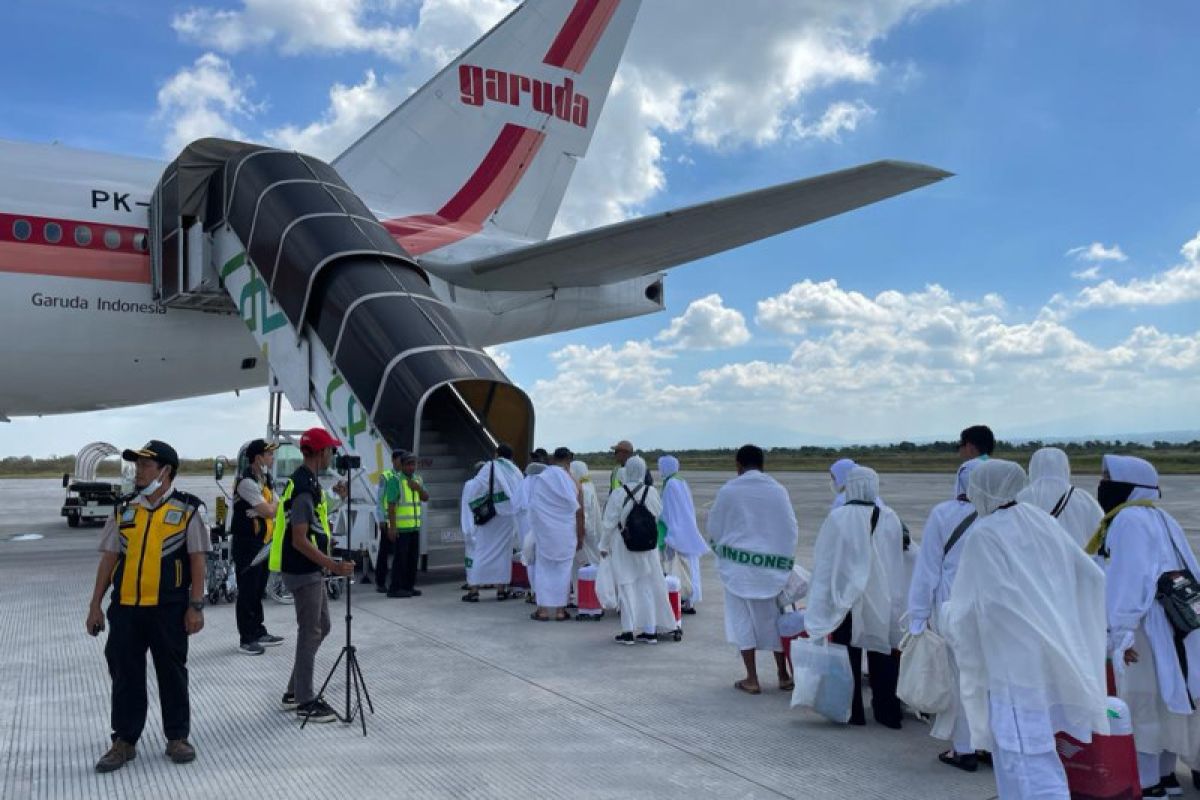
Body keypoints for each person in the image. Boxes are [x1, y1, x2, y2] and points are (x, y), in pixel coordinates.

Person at [943, 459, 1108, 800]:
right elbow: (1091, 575)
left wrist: (948, 618)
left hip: (1013, 662)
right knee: (1025, 749)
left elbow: (981, 604)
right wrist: (1060, 616)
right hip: (1048, 651)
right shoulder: (1039, 519)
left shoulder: (984, 534)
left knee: (1026, 753)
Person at [87, 440, 209, 772]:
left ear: (166, 471)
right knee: (125, 675)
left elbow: (198, 561)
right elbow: (109, 559)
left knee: (172, 673)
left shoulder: (189, 509)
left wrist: (195, 606)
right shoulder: (124, 509)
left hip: (168, 609)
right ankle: (124, 741)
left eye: (145, 465)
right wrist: (95, 605)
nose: (138, 471)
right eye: (137, 465)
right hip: (125, 608)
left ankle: (177, 737)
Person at [1089, 455, 1199, 798]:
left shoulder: (1128, 521)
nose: (1102, 484)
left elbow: (1128, 581)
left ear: (1125, 484)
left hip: (1142, 629)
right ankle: (1165, 776)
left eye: (1107, 477)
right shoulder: (1159, 516)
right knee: (1167, 701)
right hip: (1170, 626)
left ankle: (1149, 783)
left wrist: (1117, 635)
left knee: (1141, 703)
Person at [805, 466, 906, 728]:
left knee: (846, 652)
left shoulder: (839, 517)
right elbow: (895, 561)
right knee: (881, 652)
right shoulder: (890, 516)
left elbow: (826, 561)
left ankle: (851, 710)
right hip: (880, 597)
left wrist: (822, 596)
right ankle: (888, 711)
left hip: (846, 597)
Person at [269, 427, 354, 723]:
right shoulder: (304, 487)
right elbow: (300, 539)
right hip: (304, 569)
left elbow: (314, 520)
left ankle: (295, 690)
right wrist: (332, 565)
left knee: (322, 626)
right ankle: (304, 700)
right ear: (320, 453)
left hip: (308, 568)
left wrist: (336, 497)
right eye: (330, 449)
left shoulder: (307, 483)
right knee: (311, 631)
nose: (332, 454)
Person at [906, 457, 983, 768]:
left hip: (953, 604)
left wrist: (917, 615)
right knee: (988, 678)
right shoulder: (1003, 518)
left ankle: (963, 748)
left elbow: (927, 569)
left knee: (960, 677)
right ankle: (989, 745)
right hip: (993, 606)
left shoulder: (944, 513)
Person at [708, 445, 798, 694]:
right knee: (775, 621)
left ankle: (752, 678)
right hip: (770, 570)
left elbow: (715, 525)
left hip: (738, 570)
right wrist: (783, 556)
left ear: (738, 465)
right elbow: (790, 526)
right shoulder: (778, 490)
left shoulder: (729, 491)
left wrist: (722, 547)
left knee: (742, 622)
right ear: (762, 464)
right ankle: (783, 675)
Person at [601, 456, 674, 644]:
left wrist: (603, 545)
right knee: (647, 586)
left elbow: (609, 522)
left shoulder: (618, 493)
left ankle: (628, 632)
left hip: (624, 544)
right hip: (647, 546)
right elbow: (657, 515)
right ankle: (650, 632)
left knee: (626, 586)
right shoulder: (652, 492)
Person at [231, 438, 283, 655]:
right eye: (269, 454)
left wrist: (265, 508)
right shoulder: (246, 482)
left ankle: (259, 630)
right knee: (247, 590)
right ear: (258, 457)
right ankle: (246, 638)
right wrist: (266, 508)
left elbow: (276, 506)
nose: (272, 458)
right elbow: (271, 511)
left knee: (258, 589)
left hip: (263, 542)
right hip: (247, 545)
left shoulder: (266, 480)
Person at [525, 447, 583, 621]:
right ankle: (559, 611)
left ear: (552, 458)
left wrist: (538, 528)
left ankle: (542, 611)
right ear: (569, 461)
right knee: (563, 571)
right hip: (565, 532)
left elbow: (534, 507)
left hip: (546, 533)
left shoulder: (542, 479)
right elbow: (577, 503)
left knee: (544, 569)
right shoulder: (569, 480)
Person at [461, 444, 524, 602]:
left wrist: (475, 504)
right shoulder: (515, 470)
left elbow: (475, 487)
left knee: (482, 550)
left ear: (497, 454)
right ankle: (501, 590)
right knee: (504, 552)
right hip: (509, 516)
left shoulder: (490, 467)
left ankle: (474, 590)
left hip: (492, 515)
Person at [1016, 447, 1104, 549]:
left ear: (1033, 467)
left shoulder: (1022, 497)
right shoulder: (1084, 498)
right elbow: (1101, 533)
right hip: (1078, 562)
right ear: (1065, 467)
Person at [657, 455, 709, 613]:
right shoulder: (680, 481)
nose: (659, 470)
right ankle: (690, 601)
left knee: (678, 567)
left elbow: (668, 510)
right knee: (690, 567)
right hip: (687, 529)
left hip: (676, 530)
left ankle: (683, 598)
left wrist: (661, 521)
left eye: (661, 466)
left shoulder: (671, 484)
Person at [384, 450, 429, 599]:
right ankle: (395, 588)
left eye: (413, 464)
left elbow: (426, 497)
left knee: (412, 559)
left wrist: (418, 488)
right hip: (401, 528)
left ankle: (408, 586)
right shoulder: (395, 480)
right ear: (402, 465)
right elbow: (391, 505)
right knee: (400, 559)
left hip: (414, 527)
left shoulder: (418, 480)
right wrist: (392, 526)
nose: (411, 467)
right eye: (408, 464)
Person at [372, 450, 403, 594]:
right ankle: (380, 582)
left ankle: (397, 582)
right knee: (384, 553)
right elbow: (380, 500)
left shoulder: (404, 477)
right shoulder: (386, 476)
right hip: (387, 521)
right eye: (399, 460)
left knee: (399, 553)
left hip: (400, 521)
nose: (401, 462)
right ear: (393, 460)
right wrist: (381, 519)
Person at [570, 460, 603, 566]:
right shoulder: (589, 485)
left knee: (584, 568)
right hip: (592, 537)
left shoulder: (583, 489)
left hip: (586, 538)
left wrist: (580, 537)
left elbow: (586, 518)